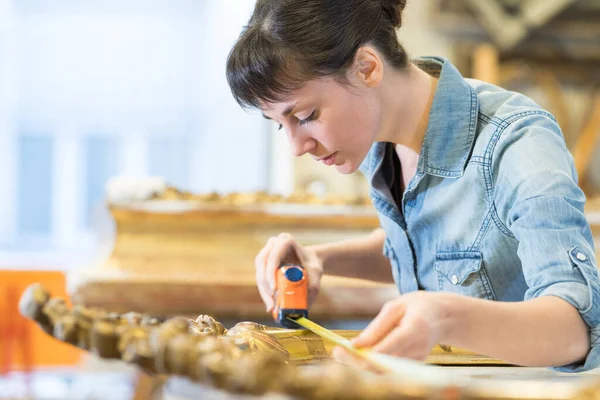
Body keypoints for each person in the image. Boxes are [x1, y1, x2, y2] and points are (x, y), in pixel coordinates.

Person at [225, 0, 600, 372]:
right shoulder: (379, 145)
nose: (297, 147)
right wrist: (320, 259)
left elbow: (575, 328)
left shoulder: (518, 142)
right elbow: (430, 251)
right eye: (279, 124)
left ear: (366, 68)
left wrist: (446, 318)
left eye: (306, 116)